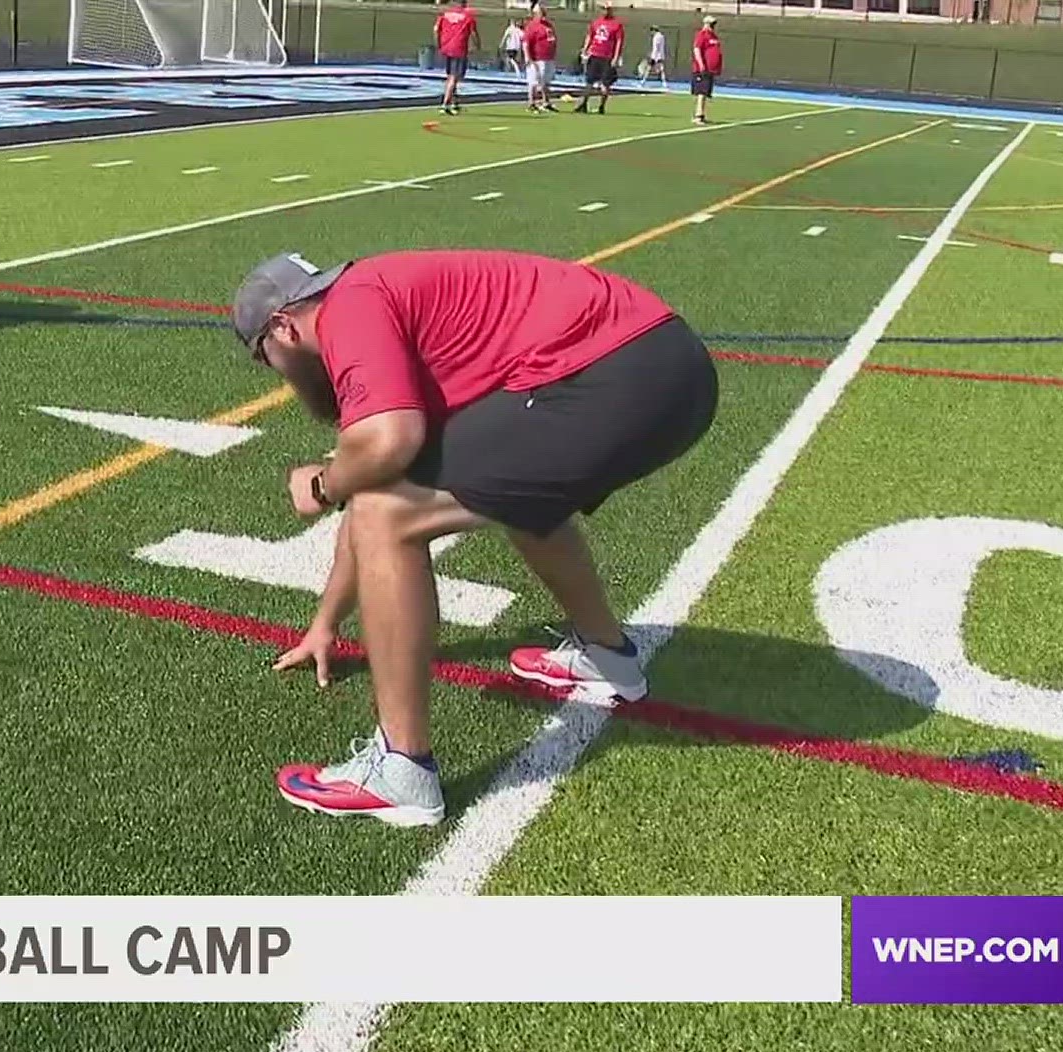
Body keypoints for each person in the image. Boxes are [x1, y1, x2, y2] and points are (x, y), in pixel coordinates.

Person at [232, 250, 719, 827]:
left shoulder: (350, 312)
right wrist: (326, 623)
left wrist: (320, 482)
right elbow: (375, 478)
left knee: (392, 517)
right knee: (509, 491)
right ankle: (609, 658)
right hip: (668, 366)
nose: (283, 375)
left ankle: (401, 770)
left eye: (269, 359)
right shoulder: (380, 299)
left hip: (609, 375)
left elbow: (384, 455)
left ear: (284, 328)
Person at [575, 1, 626, 115]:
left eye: (607, 9)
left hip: (607, 57)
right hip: (594, 55)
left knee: (605, 84)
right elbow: (590, 36)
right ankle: (584, 104)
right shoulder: (596, 22)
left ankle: (601, 106)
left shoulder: (616, 24)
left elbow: (619, 42)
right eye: (603, 9)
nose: (605, 11)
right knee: (589, 81)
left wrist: (616, 57)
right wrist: (585, 49)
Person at [433, 0, 481, 116]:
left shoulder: (445, 14)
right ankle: (446, 104)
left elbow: (436, 29)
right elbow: (473, 33)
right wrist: (477, 45)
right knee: (454, 77)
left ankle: (454, 102)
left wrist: (438, 44)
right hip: (459, 48)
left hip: (446, 47)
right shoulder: (468, 16)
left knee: (450, 76)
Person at [523, 4, 560, 112]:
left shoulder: (548, 25)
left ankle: (546, 102)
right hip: (537, 59)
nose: (543, 15)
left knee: (546, 82)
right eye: (541, 13)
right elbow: (526, 43)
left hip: (548, 58)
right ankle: (531, 103)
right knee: (534, 82)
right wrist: (529, 59)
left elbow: (552, 40)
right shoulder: (532, 26)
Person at [692, 15, 723, 124]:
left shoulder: (713, 36)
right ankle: (698, 115)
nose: (712, 26)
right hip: (703, 69)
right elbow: (697, 49)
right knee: (701, 92)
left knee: (705, 93)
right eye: (711, 24)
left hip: (711, 69)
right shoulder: (702, 35)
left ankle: (701, 114)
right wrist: (701, 64)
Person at [642, 24, 670, 91]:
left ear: (654, 30)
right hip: (660, 55)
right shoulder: (662, 36)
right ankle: (664, 82)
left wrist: (653, 56)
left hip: (655, 56)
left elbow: (656, 47)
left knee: (649, 68)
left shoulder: (656, 37)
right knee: (661, 69)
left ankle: (643, 81)